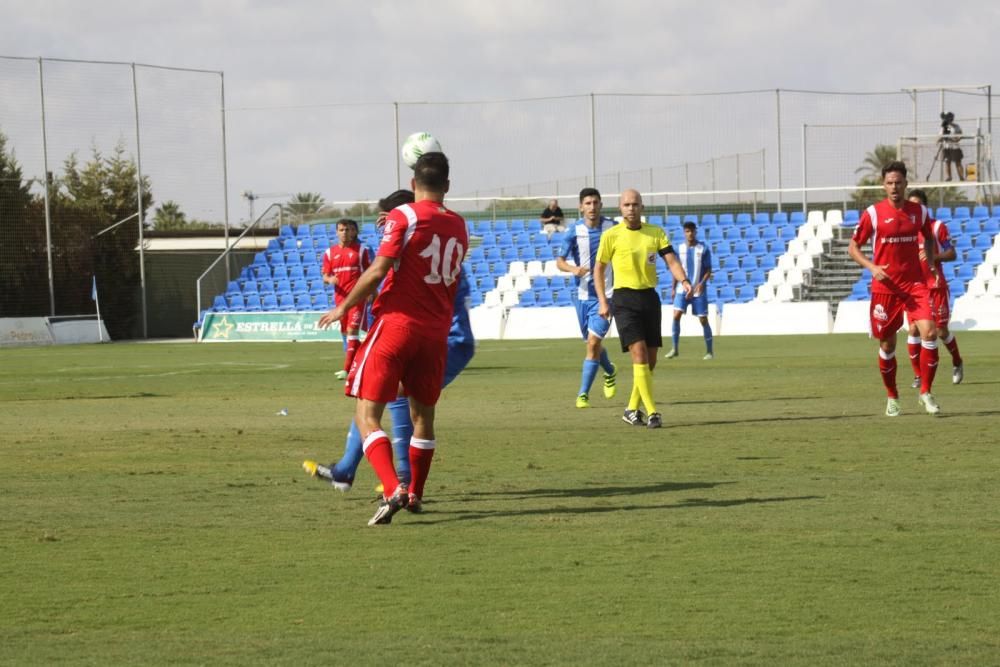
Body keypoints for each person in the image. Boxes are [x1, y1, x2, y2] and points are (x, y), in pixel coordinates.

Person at [314, 152, 468, 526]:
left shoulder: (405, 216)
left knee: (366, 414)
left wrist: (342, 307)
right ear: (447, 185)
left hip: (397, 325)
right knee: (423, 419)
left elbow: (379, 270)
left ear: (413, 185)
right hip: (435, 333)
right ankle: (415, 492)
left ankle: (392, 487)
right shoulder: (460, 226)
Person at [592, 188, 692, 429]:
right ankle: (653, 412)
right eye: (626, 204)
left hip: (649, 298)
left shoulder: (655, 233)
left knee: (651, 360)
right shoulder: (611, 235)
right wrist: (603, 302)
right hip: (624, 299)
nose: (631, 208)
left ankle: (631, 409)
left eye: (635, 204)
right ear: (620, 208)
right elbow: (599, 270)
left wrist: (685, 280)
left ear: (642, 208)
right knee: (638, 354)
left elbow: (671, 260)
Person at [847, 161, 940, 417]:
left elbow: (929, 237)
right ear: (883, 185)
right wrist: (872, 266)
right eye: (889, 183)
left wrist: (930, 263)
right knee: (887, 346)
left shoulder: (918, 212)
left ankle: (925, 392)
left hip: (914, 285)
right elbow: (853, 247)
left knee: (930, 333)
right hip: (885, 287)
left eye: (898, 182)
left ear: (906, 184)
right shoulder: (874, 214)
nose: (894, 187)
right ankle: (892, 396)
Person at [555, 187, 618, 408]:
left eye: (595, 203)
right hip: (582, 297)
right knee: (593, 345)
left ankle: (583, 394)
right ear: (581, 207)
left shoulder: (613, 227)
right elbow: (559, 261)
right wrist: (573, 269)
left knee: (592, 344)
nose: (592, 207)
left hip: (607, 296)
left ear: (601, 205)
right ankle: (609, 370)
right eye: (587, 203)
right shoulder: (573, 232)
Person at [904, 188, 964, 388]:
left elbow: (952, 253)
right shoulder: (905, 230)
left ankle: (957, 361)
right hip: (913, 288)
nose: (915, 208)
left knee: (940, 331)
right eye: (911, 205)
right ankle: (918, 375)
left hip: (935, 287)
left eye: (918, 205)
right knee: (912, 330)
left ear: (925, 207)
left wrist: (933, 257)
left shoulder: (937, 227)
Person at [321, 218, 372, 380]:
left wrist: (369, 291)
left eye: (349, 229)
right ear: (337, 232)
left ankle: (347, 370)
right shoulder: (330, 253)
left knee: (352, 331)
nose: (345, 233)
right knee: (346, 333)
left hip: (357, 298)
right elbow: (325, 275)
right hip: (340, 299)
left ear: (355, 232)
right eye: (342, 230)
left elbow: (369, 273)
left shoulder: (362, 250)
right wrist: (330, 280)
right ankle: (361, 364)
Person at [664, 221, 714, 360]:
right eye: (687, 231)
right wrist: (673, 288)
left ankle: (709, 351)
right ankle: (675, 349)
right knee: (676, 315)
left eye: (692, 231)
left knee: (703, 319)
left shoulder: (703, 248)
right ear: (684, 232)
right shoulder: (679, 249)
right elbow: (676, 269)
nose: (690, 233)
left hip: (698, 290)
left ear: (695, 232)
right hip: (682, 288)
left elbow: (709, 269)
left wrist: (702, 283)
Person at [938, 112, 964, 182]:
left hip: (955, 147)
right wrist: (940, 139)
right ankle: (949, 177)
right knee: (947, 162)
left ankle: (961, 177)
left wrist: (956, 139)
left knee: (958, 162)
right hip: (946, 147)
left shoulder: (956, 126)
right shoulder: (944, 127)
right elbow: (941, 136)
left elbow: (960, 135)